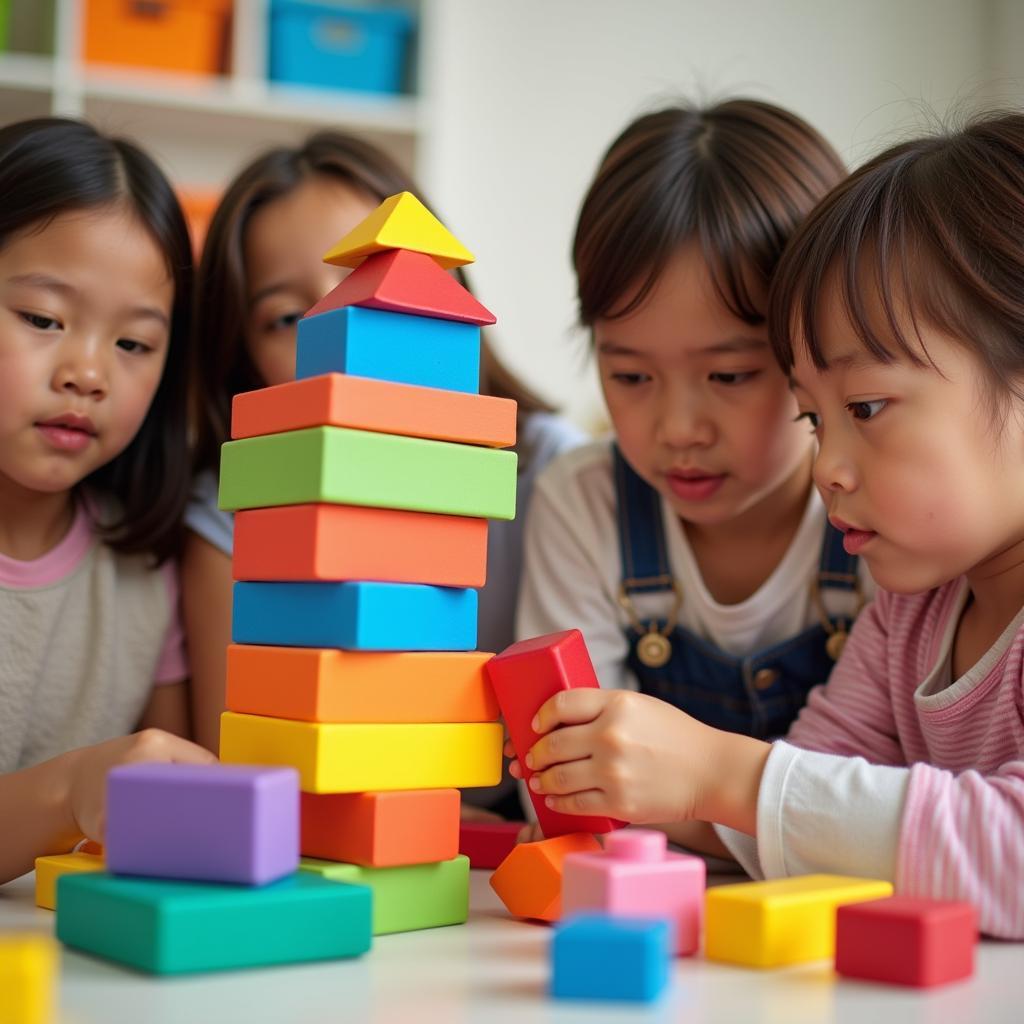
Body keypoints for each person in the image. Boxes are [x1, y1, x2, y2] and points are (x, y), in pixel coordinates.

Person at [514, 111, 1024, 939]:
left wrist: (721, 774)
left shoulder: (892, 570)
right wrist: (674, 781)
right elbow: (808, 798)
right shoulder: (912, 610)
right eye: (816, 417)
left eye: (863, 407)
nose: (827, 466)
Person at [183, 132, 584, 813]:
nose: (344, 332)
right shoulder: (231, 513)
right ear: (241, 358)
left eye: (368, 279)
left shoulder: (555, 473)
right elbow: (246, 771)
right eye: (287, 316)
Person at [517, 101, 869, 741]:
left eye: (729, 376)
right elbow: (566, 775)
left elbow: (879, 795)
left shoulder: (879, 515)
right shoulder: (584, 504)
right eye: (631, 376)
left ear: (819, 342)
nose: (678, 429)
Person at [0, 118, 216, 885]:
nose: (87, 373)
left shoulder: (141, 566)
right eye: (43, 319)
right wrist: (73, 788)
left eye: (133, 344)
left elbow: (172, 806)